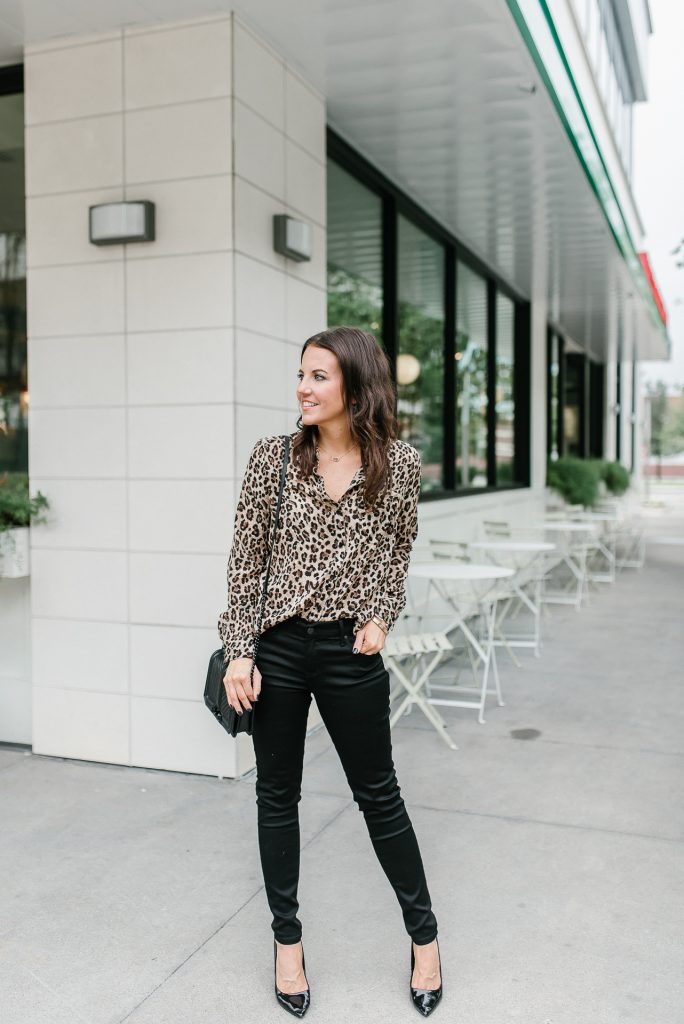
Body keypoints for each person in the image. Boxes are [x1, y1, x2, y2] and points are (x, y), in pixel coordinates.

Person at [218, 326, 442, 1018]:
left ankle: (424, 939)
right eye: (301, 375)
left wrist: (380, 614)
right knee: (276, 795)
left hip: (352, 652)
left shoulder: (398, 465)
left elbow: (395, 553)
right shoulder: (272, 461)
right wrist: (238, 649)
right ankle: (288, 944)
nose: (303, 388)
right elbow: (245, 560)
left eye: (319, 376)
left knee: (380, 796)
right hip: (278, 647)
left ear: (355, 385)